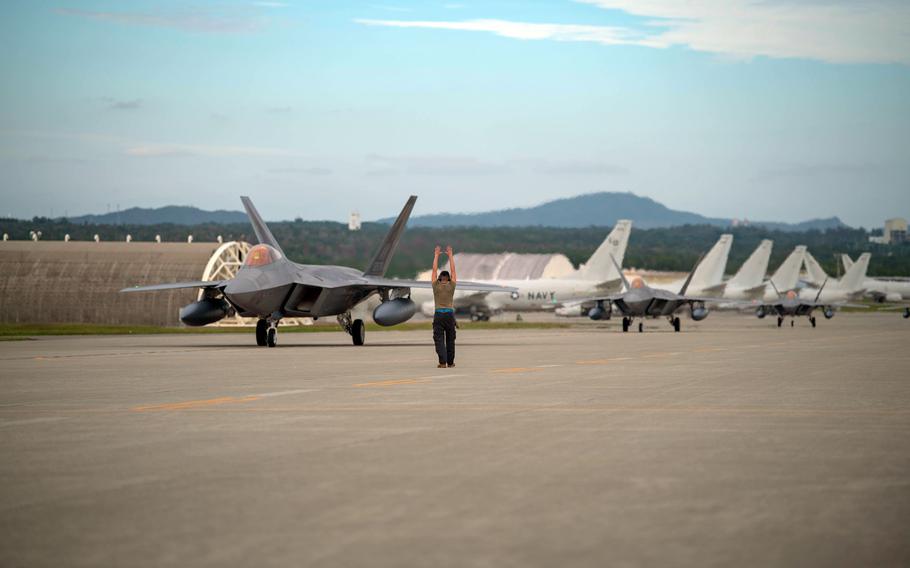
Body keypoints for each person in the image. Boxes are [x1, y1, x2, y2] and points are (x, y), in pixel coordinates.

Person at [431, 245, 457, 368]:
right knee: (450, 340)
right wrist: (450, 255)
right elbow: (453, 271)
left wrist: (436, 255)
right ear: (449, 278)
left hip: (439, 315)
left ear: (440, 278)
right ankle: (451, 362)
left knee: (439, 339)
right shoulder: (452, 286)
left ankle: (442, 362)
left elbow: (434, 270)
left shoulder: (436, 286)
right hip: (449, 315)